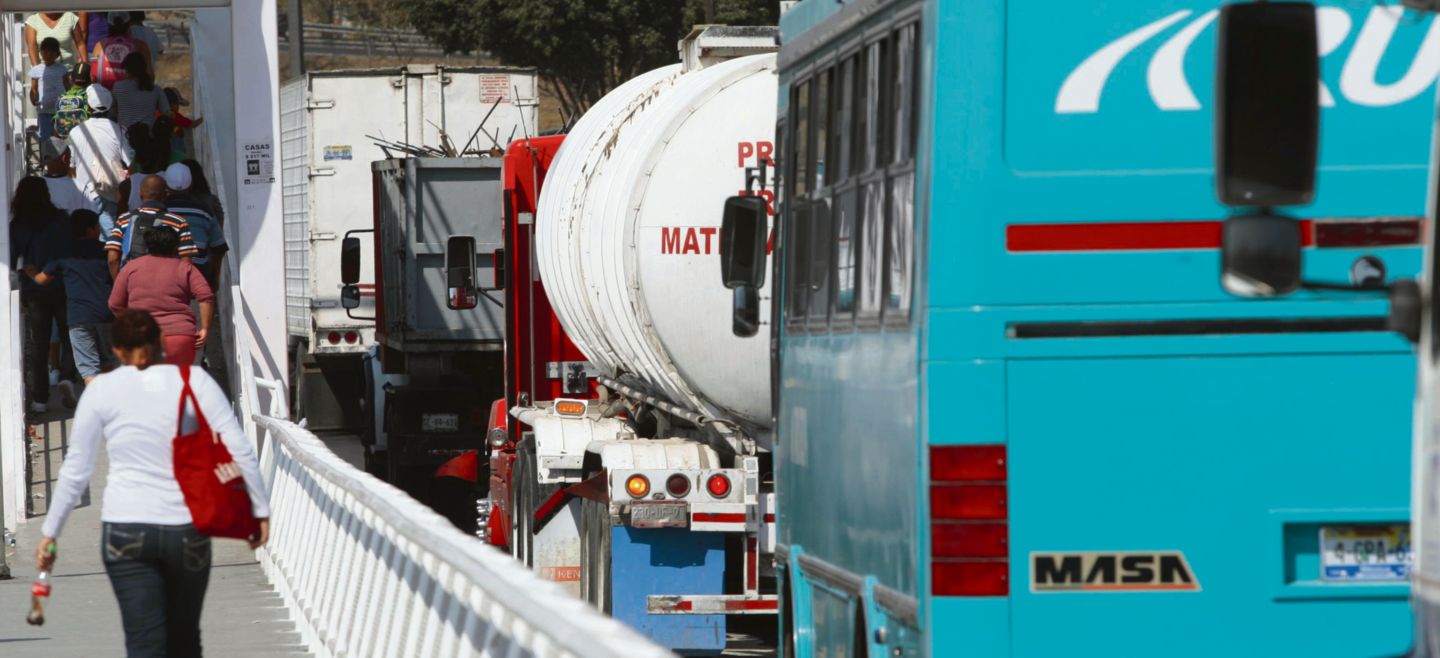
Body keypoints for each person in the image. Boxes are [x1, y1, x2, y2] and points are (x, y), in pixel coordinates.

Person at [35, 309, 270, 658]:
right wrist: (259, 510)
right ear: (160, 343)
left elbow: (76, 471)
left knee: (144, 642)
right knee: (185, 639)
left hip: (125, 529)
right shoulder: (194, 381)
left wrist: (50, 533)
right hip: (186, 530)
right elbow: (239, 448)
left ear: (116, 350)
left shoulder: (101, 392)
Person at [12, 177, 76, 413]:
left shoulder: (18, 224)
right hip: (62, 282)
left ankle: (40, 398)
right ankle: (68, 376)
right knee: (70, 334)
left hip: (34, 289)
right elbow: (70, 248)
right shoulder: (61, 219)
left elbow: (12, 257)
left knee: (39, 342)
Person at [29, 210, 115, 385]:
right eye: (97, 226)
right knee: (108, 363)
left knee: (89, 368)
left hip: (78, 316)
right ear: (90, 229)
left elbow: (43, 279)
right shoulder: (105, 251)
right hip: (106, 313)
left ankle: (96, 405)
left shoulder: (63, 253)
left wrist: (29, 270)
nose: (99, 229)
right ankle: (111, 403)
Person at [109, 227, 213, 366]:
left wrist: (132, 324)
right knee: (178, 383)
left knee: (146, 385)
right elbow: (206, 296)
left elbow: (114, 304)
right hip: (180, 337)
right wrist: (205, 329)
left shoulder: (131, 267)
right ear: (175, 246)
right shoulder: (185, 268)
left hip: (142, 338)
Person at [68, 84, 130, 237]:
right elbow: (129, 162)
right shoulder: (120, 130)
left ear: (88, 108)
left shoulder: (76, 131)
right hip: (111, 192)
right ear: (109, 107)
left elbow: (71, 167)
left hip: (84, 195)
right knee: (110, 238)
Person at [107, 175, 196, 277]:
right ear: (165, 195)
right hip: (164, 283)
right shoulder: (178, 222)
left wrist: (118, 284)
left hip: (131, 282)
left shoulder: (123, 220)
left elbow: (112, 259)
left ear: (140, 194)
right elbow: (186, 262)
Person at [90, 12, 151, 90]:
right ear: (129, 25)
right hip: (131, 92)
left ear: (109, 25)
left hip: (105, 93)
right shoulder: (140, 45)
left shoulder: (100, 45)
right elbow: (149, 74)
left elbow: (93, 75)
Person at [118, 124, 168, 215]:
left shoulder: (126, 186)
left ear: (137, 159)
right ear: (159, 157)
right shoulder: (169, 180)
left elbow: (120, 217)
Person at [30, 37, 72, 140]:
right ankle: (47, 155)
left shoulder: (62, 69)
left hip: (60, 109)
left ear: (57, 54)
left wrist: (69, 100)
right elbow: (34, 88)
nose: (48, 56)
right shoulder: (36, 70)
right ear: (41, 52)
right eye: (45, 52)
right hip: (44, 110)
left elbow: (67, 87)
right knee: (45, 137)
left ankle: (62, 155)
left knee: (62, 136)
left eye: (51, 53)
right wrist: (33, 98)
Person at [111, 52, 167, 130]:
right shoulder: (155, 89)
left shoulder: (118, 86)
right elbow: (166, 112)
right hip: (147, 136)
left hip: (124, 136)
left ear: (128, 70)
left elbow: (112, 111)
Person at [39, 137, 90, 214]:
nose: (70, 163)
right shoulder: (80, 188)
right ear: (64, 158)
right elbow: (90, 218)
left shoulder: (34, 187)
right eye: (70, 159)